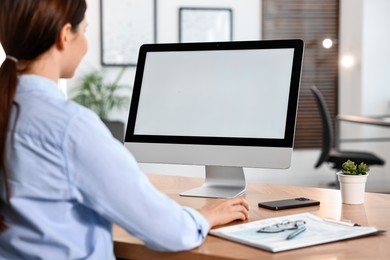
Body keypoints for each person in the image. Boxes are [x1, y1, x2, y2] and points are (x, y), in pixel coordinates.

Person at [0, 0, 249, 259]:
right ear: (65, 36)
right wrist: (206, 216)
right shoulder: (70, 127)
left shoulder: (10, 110)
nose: (85, 42)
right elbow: (166, 230)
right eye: (84, 31)